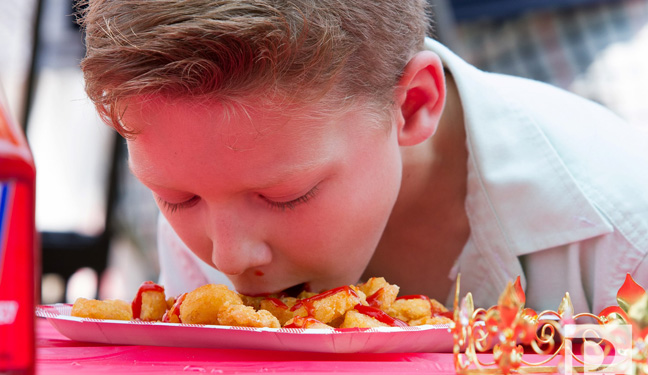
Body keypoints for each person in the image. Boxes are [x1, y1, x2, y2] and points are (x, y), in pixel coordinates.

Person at [78, 0, 648, 314]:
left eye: (286, 196)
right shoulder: (221, 178)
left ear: (413, 105)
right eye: (177, 199)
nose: (228, 256)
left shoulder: (622, 234)